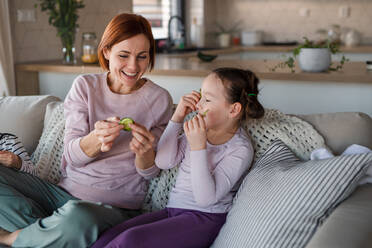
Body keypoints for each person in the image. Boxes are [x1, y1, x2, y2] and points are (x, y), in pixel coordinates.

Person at [0, 13, 173, 248]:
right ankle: (51, 234)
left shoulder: (159, 99)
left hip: (111, 209)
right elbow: (71, 157)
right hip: (59, 196)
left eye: (142, 57)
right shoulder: (85, 86)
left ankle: (14, 238)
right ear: (106, 52)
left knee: (77, 218)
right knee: (69, 217)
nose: (134, 66)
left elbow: (150, 172)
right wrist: (94, 140)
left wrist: (144, 153)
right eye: (124, 55)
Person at [92, 67, 265, 248]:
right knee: (111, 235)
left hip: (204, 219)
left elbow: (206, 198)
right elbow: (163, 161)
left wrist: (199, 147)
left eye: (207, 99)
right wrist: (178, 116)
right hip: (173, 211)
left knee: (130, 241)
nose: (199, 105)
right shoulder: (198, 130)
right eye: (200, 96)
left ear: (233, 109)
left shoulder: (240, 148)